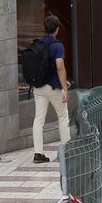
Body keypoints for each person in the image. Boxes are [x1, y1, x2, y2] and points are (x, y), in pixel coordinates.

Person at [28, 14, 71, 163]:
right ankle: (66, 151)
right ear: (57, 29)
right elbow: (60, 67)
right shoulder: (57, 46)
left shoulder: (38, 43)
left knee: (38, 119)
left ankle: (38, 154)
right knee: (63, 116)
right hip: (53, 88)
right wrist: (65, 87)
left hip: (38, 87)